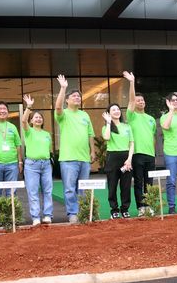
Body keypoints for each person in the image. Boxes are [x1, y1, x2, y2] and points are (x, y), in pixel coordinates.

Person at [55, 75, 95, 223]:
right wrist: (63, 88)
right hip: (68, 158)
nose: (77, 98)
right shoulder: (63, 114)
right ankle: (73, 213)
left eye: (79, 96)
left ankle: (82, 212)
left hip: (84, 158)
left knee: (82, 188)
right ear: (67, 100)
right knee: (69, 188)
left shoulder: (85, 115)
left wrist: (92, 151)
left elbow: (90, 134)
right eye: (74, 96)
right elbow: (58, 107)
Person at [124, 71, 157, 216]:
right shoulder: (131, 116)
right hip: (137, 154)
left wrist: (153, 153)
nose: (141, 102)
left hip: (150, 155)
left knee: (149, 182)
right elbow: (131, 101)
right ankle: (141, 208)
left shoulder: (151, 119)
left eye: (142, 100)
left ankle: (149, 206)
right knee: (138, 182)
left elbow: (153, 137)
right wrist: (132, 82)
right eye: (138, 100)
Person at [21, 94, 53, 226]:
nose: (38, 119)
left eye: (40, 117)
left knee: (48, 191)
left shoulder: (47, 134)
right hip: (32, 165)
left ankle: (47, 215)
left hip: (46, 164)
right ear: (31, 121)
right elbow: (23, 121)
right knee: (33, 191)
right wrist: (29, 107)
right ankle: (35, 217)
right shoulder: (28, 131)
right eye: (36, 117)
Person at [102, 104, 134, 219]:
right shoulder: (106, 127)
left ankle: (125, 209)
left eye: (118, 109)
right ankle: (114, 210)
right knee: (112, 186)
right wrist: (108, 122)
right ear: (109, 113)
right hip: (112, 157)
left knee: (126, 186)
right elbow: (106, 138)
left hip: (126, 158)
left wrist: (129, 159)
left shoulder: (127, 126)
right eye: (113, 110)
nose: (116, 111)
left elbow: (131, 143)